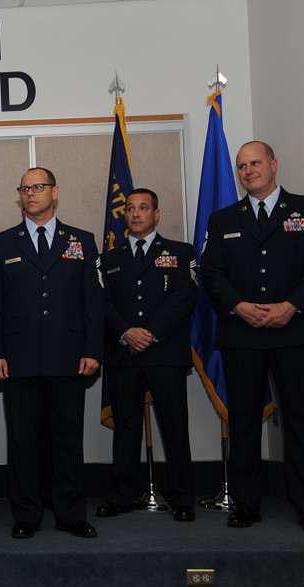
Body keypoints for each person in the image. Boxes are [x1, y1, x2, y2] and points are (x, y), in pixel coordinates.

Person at [201, 141, 304, 533]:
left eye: (255, 163)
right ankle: (245, 505)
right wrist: (239, 306)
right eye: (242, 166)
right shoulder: (222, 220)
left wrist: (291, 306)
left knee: (301, 420)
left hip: (294, 331)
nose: (248, 171)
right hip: (242, 333)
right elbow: (211, 273)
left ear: (274, 165)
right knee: (243, 422)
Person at [0, 167, 103, 539]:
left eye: (38, 187)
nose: (31, 193)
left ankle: (70, 513)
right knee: (23, 441)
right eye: (25, 188)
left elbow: (93, 303)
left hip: (69, 357)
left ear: (55, 191)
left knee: (68, 439)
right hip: (18, 360)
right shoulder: (0, 244)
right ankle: (27, 515)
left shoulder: (81, 241)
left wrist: (92, 349)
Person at [97, 188, 197, 522]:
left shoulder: (181, 253)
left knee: (174, 426)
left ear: (156, 214)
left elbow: (184, 298)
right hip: (124, 354)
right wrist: (127, 332)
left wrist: (151, 333)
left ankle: (183, 498)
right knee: (126, 428)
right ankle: (122, 495)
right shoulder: (109, 259)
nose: (136, 213)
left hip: (164, 353)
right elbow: (102, 303)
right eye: (130, 208)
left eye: (143, 208)